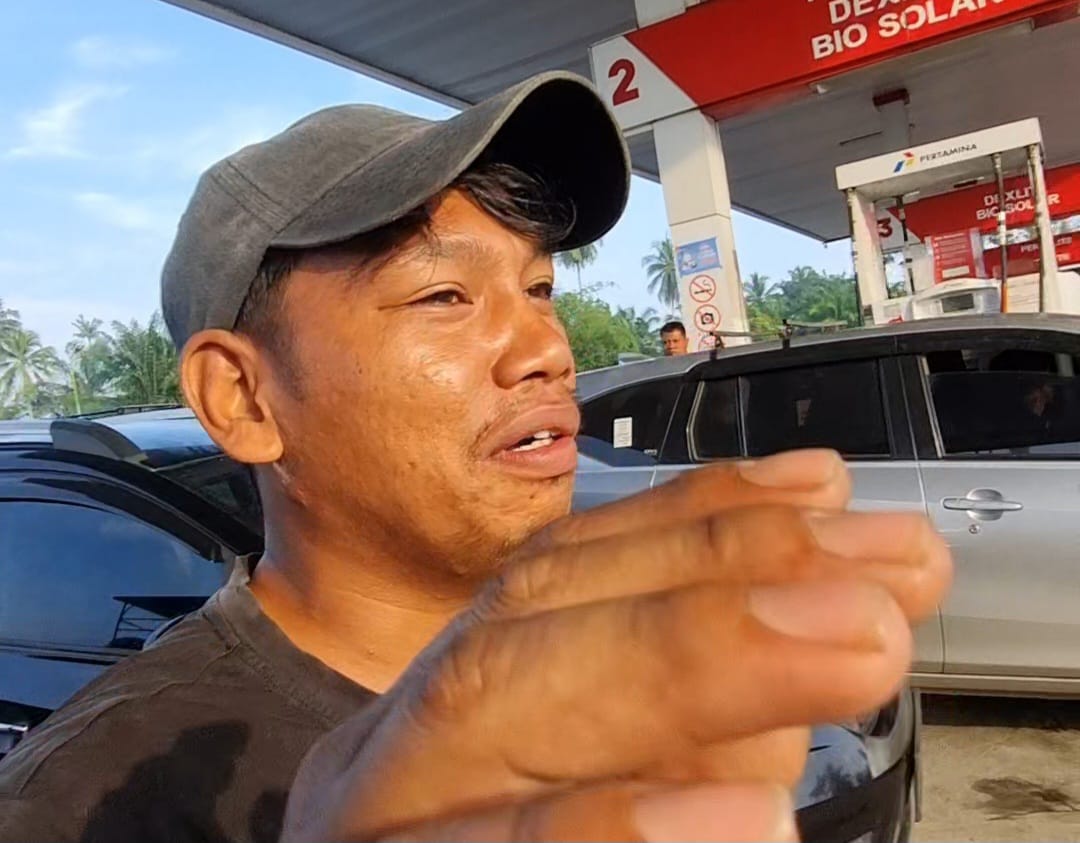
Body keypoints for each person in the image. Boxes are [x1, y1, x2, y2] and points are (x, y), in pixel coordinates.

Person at [0, 71, 951, 843]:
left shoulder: (624, 664)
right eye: (444, 296)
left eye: (538, 288)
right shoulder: (84, 800)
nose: (548, 347)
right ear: (243, 399)